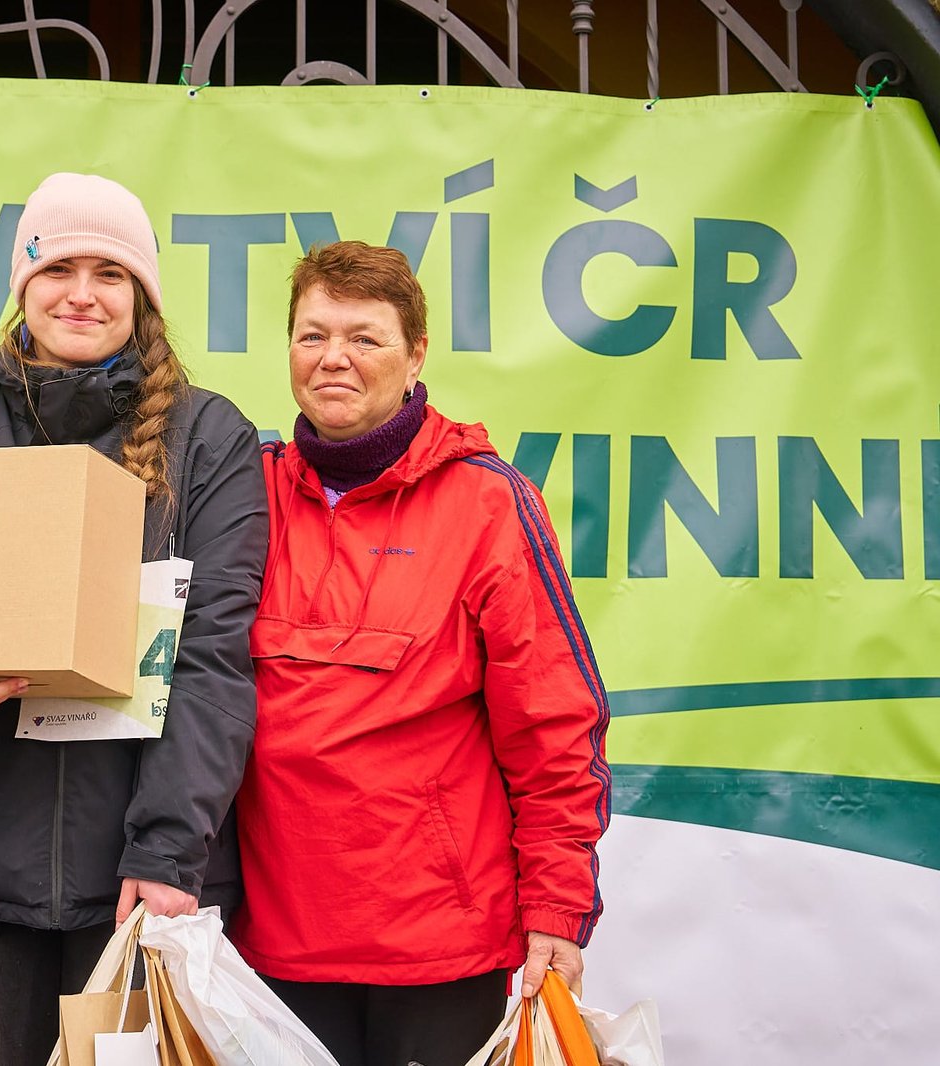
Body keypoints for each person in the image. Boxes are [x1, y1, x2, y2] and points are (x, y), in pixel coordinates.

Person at [0, 172, 267, 1066]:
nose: (81, 294)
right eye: (57, 269)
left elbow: (212, 661)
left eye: (109, 273)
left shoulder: (207, 439)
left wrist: (167, 853)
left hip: (139, 878)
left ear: (142, 295)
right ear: (22, 287)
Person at [231, 240, 611, 1066]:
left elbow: (553, 725)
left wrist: (556, 907)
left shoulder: (489, 504)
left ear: (416, 356)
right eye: (312, 335)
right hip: (269, 941)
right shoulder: (244, 490)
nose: (333, 358)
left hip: (440, 949)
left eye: (364, 338)